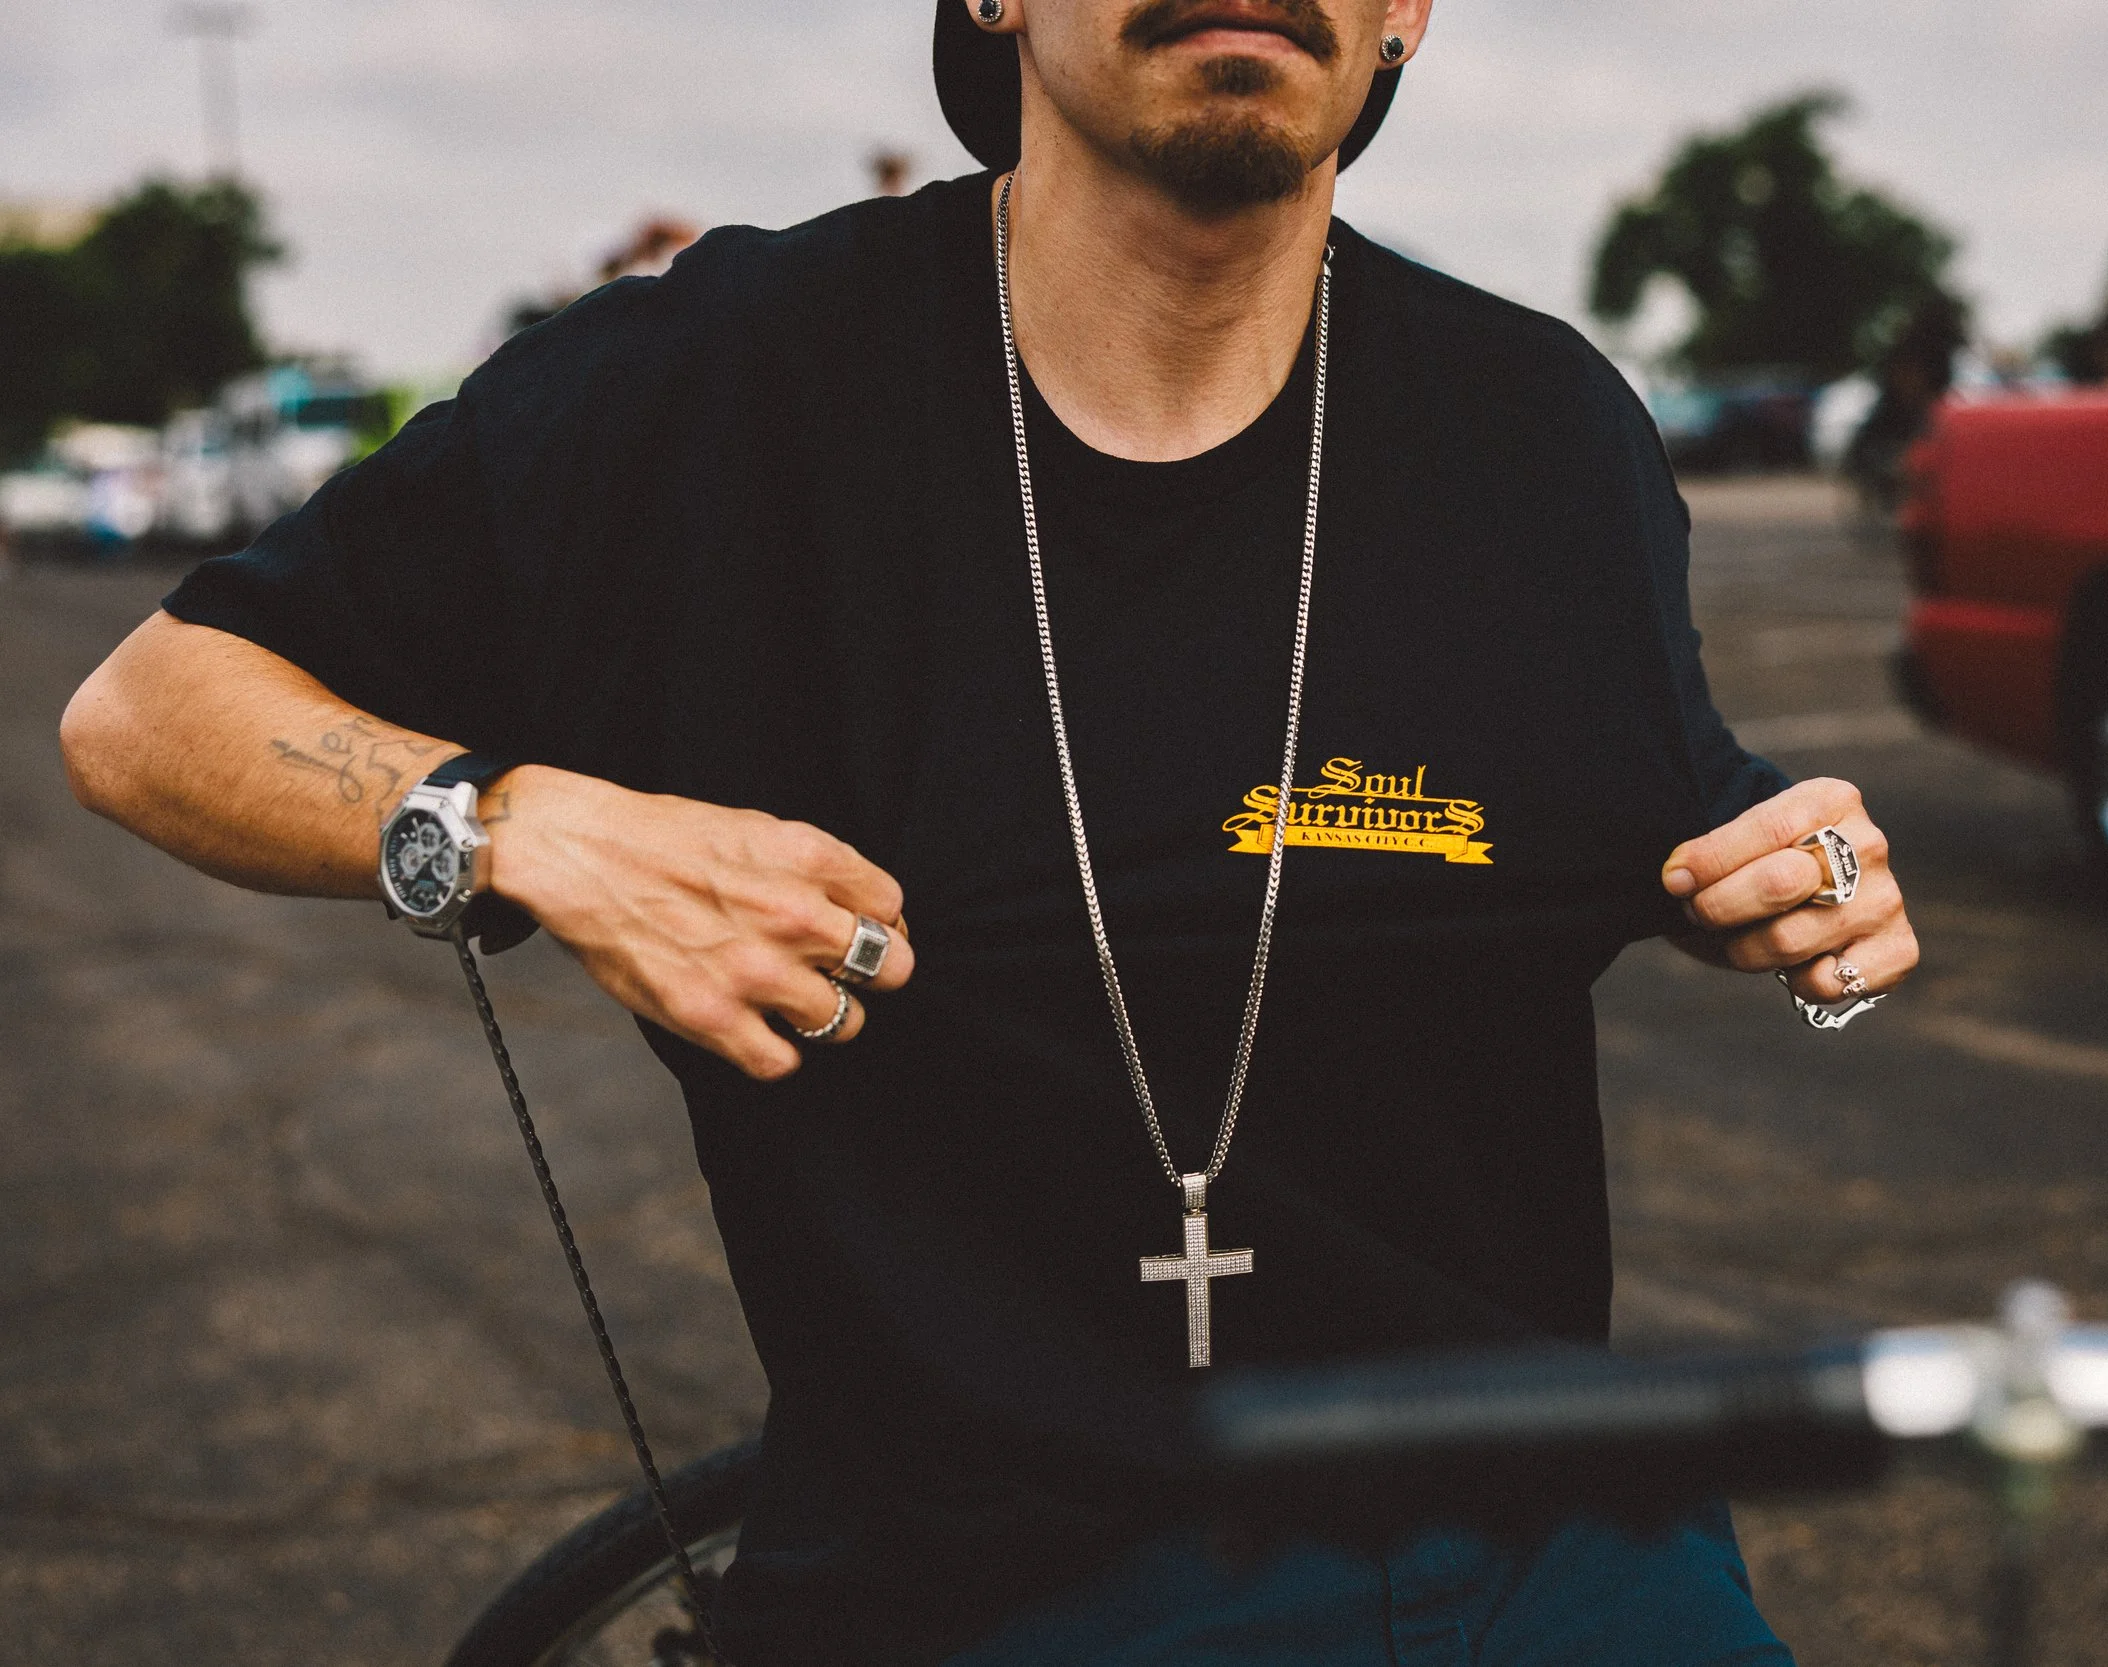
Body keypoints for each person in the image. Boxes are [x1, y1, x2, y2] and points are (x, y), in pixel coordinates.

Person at [59, 0, 1918, 1660]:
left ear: (1409, 15)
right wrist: (510, 821)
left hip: (1530, 1551)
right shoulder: (719, 388)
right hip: (968, 1585)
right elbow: (149, 705)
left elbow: (1697, 812)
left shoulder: (1547, 436)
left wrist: (1806, 885)